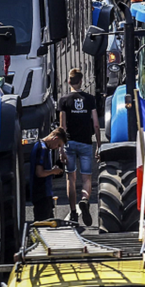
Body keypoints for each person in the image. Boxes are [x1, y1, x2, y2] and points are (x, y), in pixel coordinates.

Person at [57, 68, 99, 225]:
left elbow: (62, 127)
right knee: (86, 177)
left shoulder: (64, 101)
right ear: (81, 81)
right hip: (86, 143)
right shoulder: (90, 99)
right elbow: (95, 124)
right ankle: (84, 199)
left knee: (71, 178)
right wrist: (99, 144)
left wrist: (61, 149)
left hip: (69, 143)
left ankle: (73, 212)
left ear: (69, 81)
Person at [31, 127, 68, 221]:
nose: (57, 148)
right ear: (55, 138)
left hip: (44, 193)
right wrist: (53, 171)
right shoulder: (42, 149)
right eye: (58, 145)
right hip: (41, 193)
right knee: (44, 222)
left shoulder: (43, 147)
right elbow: (39, 173)